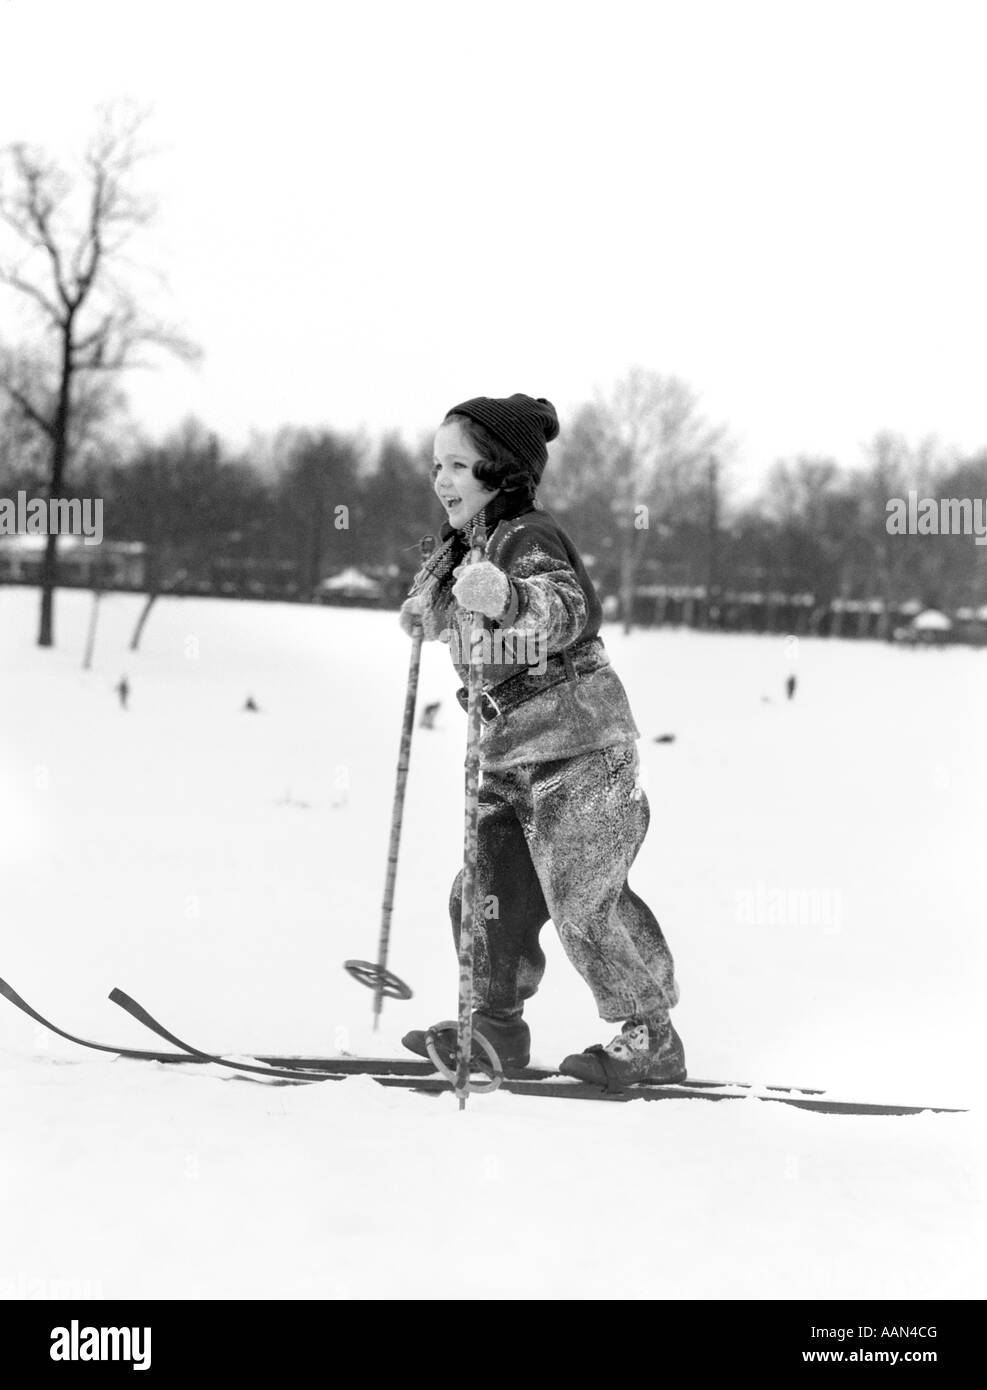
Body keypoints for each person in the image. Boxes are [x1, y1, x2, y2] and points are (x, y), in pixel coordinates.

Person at [398, 393, 684, 1088]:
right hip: (502, 750)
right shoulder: (463, 548)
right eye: (437, 464)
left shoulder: (527, 536)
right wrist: (429, 611)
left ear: (501, 473)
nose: (442, 479)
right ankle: (493, 1023)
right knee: (485, 892)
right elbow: (459, 613)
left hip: (578, 747)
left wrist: (510, 601)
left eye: (459, 465)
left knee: (584, 898)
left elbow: (566, 609)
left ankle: (650, 1033)